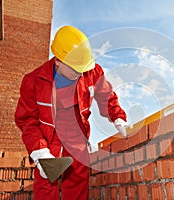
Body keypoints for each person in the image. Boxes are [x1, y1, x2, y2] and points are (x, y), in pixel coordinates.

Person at [15, 25, 129, 199]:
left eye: (82, 68)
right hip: (47, 141)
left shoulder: (92, 72)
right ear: (58, 61)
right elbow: (27, 121)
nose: (80, 73)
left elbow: (107, 96)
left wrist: (118, 117)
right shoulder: (33, 81)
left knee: (77, 184)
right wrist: (40, 152)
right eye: (75, 68)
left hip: (76, 140)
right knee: (45, 186)